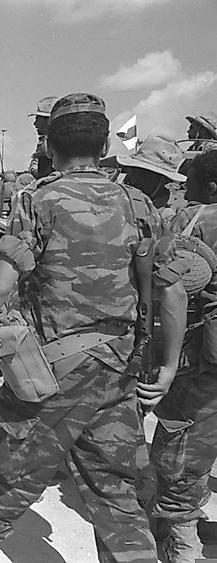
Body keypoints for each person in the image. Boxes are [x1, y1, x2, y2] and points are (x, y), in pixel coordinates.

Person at [0, 93, 188, 563]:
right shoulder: (138, 204)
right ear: (107, 143)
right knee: (114, 485)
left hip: (54, 370)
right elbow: (172, 291)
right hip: (118, 368)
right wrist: (169, 367)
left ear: (49, 146)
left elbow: (1, 280)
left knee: (8, 459)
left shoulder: (39, 199)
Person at [150, 150, 217, 562]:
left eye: (190, 182)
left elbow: (170, 286)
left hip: (202, 355)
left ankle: (181, 538)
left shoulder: (195, 221)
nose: (184, 189)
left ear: (210, 187)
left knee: (182, 439)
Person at [101, 134, 186, 212]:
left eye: (143, 175)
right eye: (132, 171)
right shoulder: (119, 204)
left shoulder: (164, 219)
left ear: (163, 181)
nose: (131, 179)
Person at [28, 96, 58, 179]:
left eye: (38, 119)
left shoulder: (47, 143)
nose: (35, 123)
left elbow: (42, 173)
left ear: (49, 120)